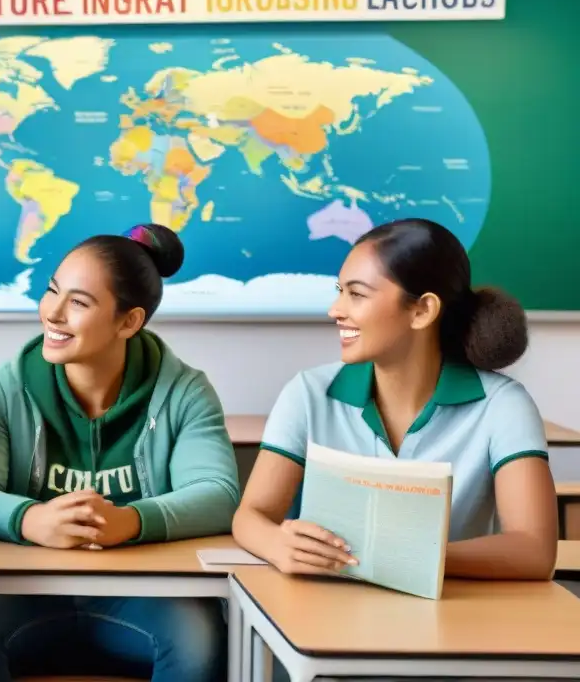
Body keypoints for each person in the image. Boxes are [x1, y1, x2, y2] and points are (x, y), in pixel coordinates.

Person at [0, 223, 241, 682]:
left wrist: (130, 521)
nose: (53, 314)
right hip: (25, 593)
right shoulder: (3, 387)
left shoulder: (184, 391)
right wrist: (30, 519)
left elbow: (218, 493)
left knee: (198, 639)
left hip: (144, 598)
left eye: (78, 303)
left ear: (129, 321)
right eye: (51, 291)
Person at [233, 218, 558, 582]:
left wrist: (401, 558)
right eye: (340, 291)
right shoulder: (308, 393)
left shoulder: (503, 405)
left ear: (422, 310)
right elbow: (250, 516)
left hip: (454, 618)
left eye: (356, 294)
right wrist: (277, 543)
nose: (335, 310)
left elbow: (534, 551)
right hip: (324, 610)